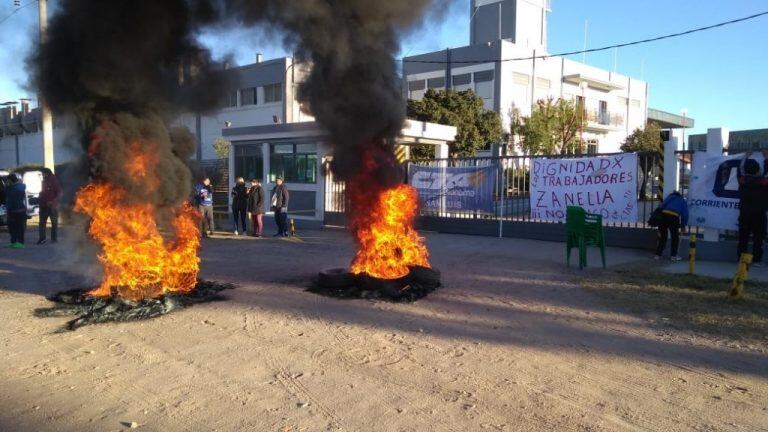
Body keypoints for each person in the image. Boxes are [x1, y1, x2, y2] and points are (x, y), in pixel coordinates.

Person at [736, 151, 768, 266]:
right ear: (758, 170)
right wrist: (766, 158)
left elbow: (739, 170)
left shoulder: (743, 181)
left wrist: (745, 156)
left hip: (745, 213)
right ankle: (756, 260)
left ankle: (742, 259)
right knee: (758, 238)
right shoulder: (763, 182)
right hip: (759, 214)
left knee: (743, 237)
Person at [654, 190, 689, 261]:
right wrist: (683, 225)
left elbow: (661, 206)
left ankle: (658, 255)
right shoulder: (682, 200)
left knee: (663, 236)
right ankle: (673, 256)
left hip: (663, 217)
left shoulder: (669, 197)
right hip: (673, 217)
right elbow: (685, 214)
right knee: (675, 237)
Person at [37, 168, 63, 245]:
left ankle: (54, 239)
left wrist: (53, 202)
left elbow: (60, 193)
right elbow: (44, 192)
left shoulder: (54, 180)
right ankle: (42, 239)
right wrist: (40, 197)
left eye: (43, 173)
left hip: (52, 207)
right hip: (43, 206)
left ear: (47, 173)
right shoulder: (44, 181)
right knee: (42, 223)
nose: (42, 175)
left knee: (54, 223)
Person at [5, 174, 28, 249]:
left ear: (11, 180)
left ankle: (20, 243)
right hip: (12, 210)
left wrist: (7, 187)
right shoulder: (14, 187)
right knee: (11, 227)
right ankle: (14, 242)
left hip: (18, 210)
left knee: (19, 227)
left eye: (7, 181)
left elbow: (9, 195)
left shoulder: (17, 188)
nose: (6, 182)